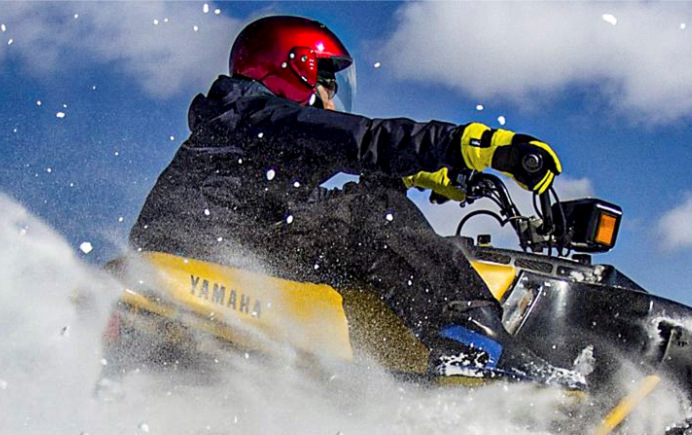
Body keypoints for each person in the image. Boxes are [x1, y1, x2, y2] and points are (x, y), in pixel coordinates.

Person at [129, 15, 582, 388]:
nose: (332, 98)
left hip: (217, 243)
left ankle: (386, 370)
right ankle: (475, 342)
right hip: (219, 246)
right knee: (374, 208)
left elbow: (330, 172)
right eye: (328, 83)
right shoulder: (255, 112)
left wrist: (433, 174)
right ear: (295, 70)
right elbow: (365, 141)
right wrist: (475, 145)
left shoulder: (238, 127)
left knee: (349, 212)